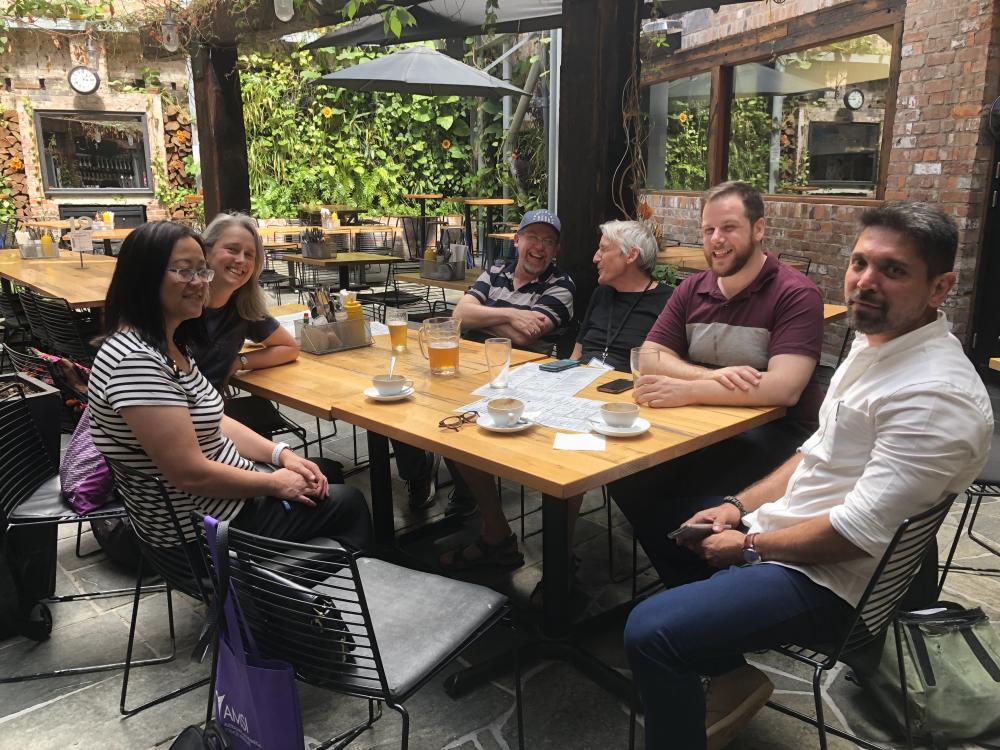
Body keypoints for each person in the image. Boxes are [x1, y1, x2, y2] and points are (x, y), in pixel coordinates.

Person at [623, 201, 993, 750]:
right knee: (661, 514)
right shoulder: (877, 349)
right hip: (799, 532)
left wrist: (748, 544)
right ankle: (728, 670)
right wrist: (735, 506)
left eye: (893, 271)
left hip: (834, 584)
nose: (867, 281)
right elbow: (815, 452)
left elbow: (853, 536)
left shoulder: (934, 395)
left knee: (651, 630)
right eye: (861, 263)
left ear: (940, 288)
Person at [87, 221, 372, 553]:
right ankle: (288, 599)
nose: (198, 283)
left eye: (200, 271)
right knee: (349, 502)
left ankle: (288, 591)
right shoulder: (137, 362)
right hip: (202, 532)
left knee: (319, 476)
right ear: (144, 276)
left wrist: (281, 455)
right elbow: (190, 474)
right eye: (183, 271)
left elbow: (214, 420)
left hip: (214, 507)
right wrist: (273, 483)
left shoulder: (166, 344)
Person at [610, 181, 825, 585]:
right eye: (709, 231)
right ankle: (689, 581)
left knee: (672, 493)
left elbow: (783, 389)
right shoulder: (693, 288)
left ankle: (709, 587)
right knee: (625, 473)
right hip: (705, 427)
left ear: (759, 229)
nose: (716, 241)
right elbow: (651, 356)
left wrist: (688, 389)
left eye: (728, 228)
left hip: (778, 435)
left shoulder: (795, 293)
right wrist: (709, 377)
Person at [440, 220, 670, 576]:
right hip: (573, 387)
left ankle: (559, 565)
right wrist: (555, 380)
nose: (594, 257)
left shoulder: (666, 301)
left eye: (603, 249)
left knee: (567, 454)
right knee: (472, 422)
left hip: (622, 405)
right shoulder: (602, 292)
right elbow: (578, 353)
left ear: (631, 256)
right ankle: (496, 534)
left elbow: (662, 367)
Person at [395, 209, 577, 515]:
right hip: (467, 363)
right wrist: (513, 314)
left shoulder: (562, 285)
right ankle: (420, 474)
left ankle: (469, 491)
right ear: (517, 240)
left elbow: (523, 340)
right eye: (533, 237)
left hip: (519, 376)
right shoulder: (495, 271)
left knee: (457, 408)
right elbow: (458, 316)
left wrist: (481, 318)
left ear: (556, 250)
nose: (539, 246)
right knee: (405, 399)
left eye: (548, 240)